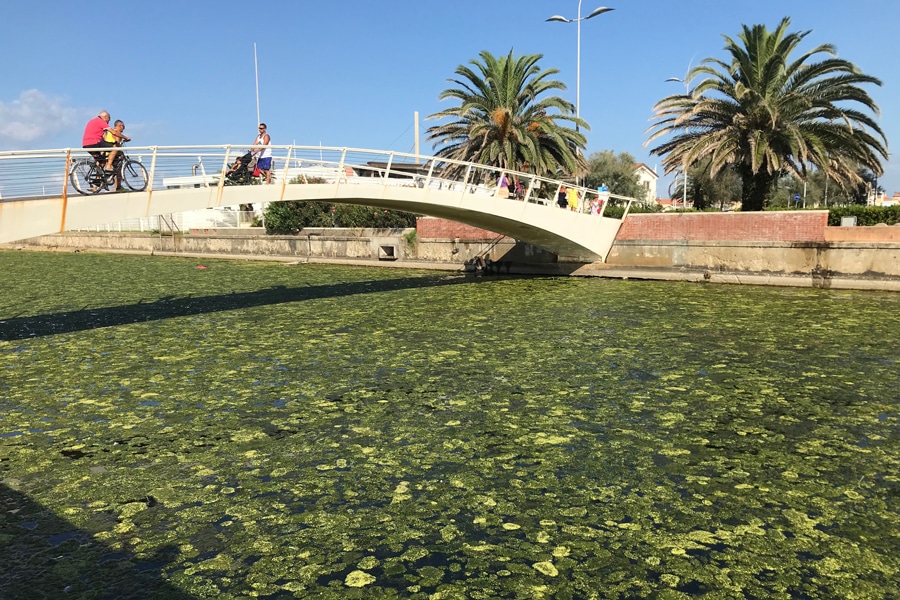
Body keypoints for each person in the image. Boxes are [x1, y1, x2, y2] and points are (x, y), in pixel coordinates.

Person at [82, 110, 130, 175]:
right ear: (105, 117)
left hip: (86, 144)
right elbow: (114, 132)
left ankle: (96, 183)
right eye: (108, 120)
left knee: (101, 162)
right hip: (95, 143)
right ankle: (108, 166)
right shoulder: (100, 121)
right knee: (115, 148)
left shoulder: (92, 121)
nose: (108, 122)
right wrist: (126, 137)